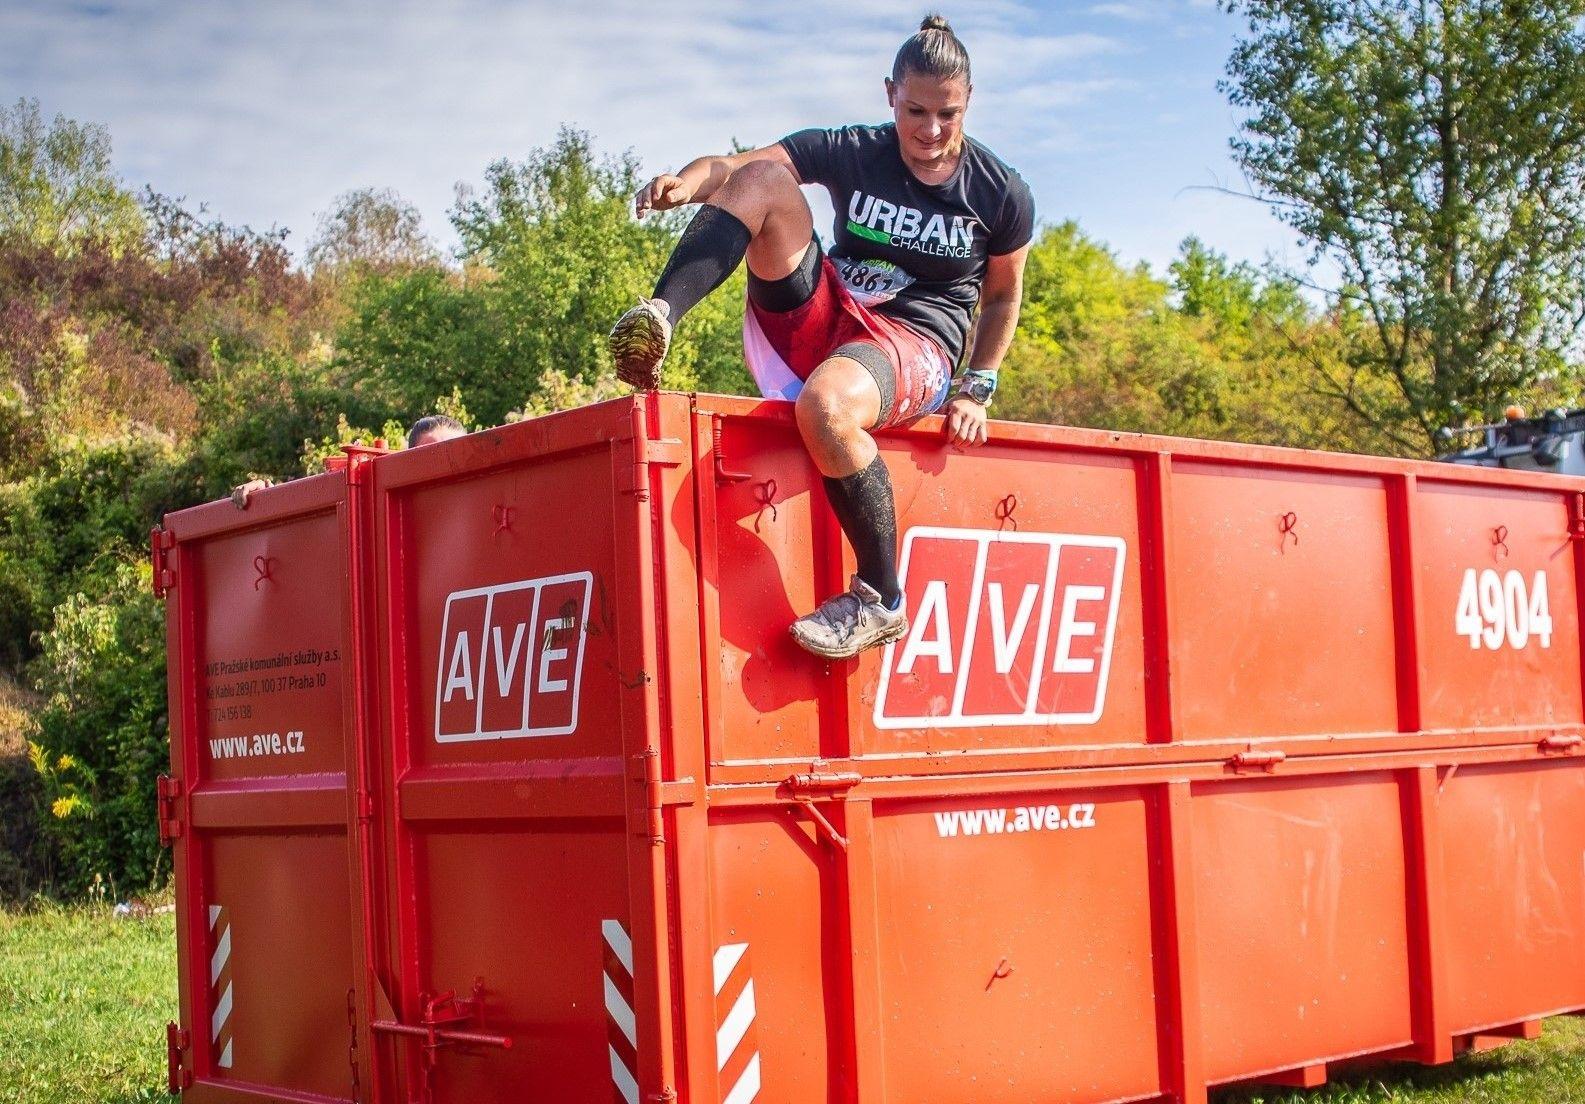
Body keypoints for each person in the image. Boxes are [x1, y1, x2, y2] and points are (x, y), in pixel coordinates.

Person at [608, 14, 1033, 660]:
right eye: (914, 110)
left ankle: (880, 598)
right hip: (831, 311)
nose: (930, 130)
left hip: (913, 343)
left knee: (827, 407)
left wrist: (978, 386)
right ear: (889, 92)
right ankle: (659, 318)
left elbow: (1002, 295)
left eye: (946, 114)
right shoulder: (855, 148)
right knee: (762, 183)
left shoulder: (999, 193)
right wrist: (684, 184)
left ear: (968, 101)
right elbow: (734, 166)